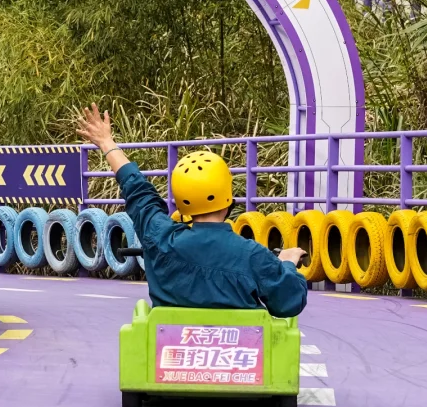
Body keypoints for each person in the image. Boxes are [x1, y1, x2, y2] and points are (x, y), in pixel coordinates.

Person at [76, 104, 308, 318]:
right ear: (228, 200)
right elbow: (289, 303)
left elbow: (138, 192)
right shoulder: (253, 256)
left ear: (182, 203)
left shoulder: (159, 238)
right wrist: (287, 264)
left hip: (170, 348)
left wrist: (106, 142)